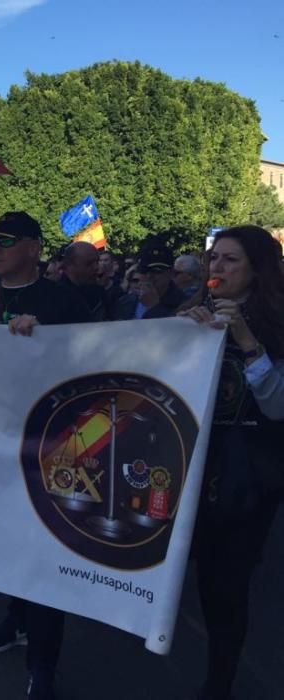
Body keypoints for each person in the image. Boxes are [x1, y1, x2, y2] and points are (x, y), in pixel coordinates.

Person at [0, 212, 91, 700]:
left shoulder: (65, 301)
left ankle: (43, 665)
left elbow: (99, 359)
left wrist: (48, 343)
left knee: (43, 553)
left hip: (49, 449)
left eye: (6, 242)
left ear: (35, 249)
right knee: (9, 545)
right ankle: (16, 620)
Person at [178, 225, 284, 700]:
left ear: (257, 269)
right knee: (196, 571)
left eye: (230, 260)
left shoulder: (278, 324)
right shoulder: (188, 315)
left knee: (227, 584)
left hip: (247, 479)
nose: (216, 268)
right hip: (190, 470)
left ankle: (218, 682)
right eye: (213, 258)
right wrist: (181, 336)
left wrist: (244, 337)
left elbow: (278, 405)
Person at [113, 241, 187, 320]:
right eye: (144, 270)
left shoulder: (186, 303)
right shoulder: (126, 301)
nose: (149, 276)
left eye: (156, 270)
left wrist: (154, 307)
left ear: (171, 273)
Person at [59, 242, 109, 321]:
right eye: (89, 263)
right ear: (70, 265)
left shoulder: (100, 294)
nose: (96, 267)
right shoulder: (54, 297)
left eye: (97, 262)